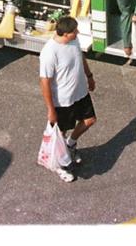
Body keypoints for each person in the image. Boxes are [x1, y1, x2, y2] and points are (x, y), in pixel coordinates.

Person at [39, 16, 96, 182]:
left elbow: (81, 57)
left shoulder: (74, 41)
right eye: (74, 31)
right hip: (62, 101)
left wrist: (89, 76)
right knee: (59, 135)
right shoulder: (50, 52)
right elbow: (45, 82)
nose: (77, 33)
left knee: (90, 120)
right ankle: (59, 166)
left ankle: (71, 145)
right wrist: (51, 109)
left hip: (80, 93)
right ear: (64, 34)